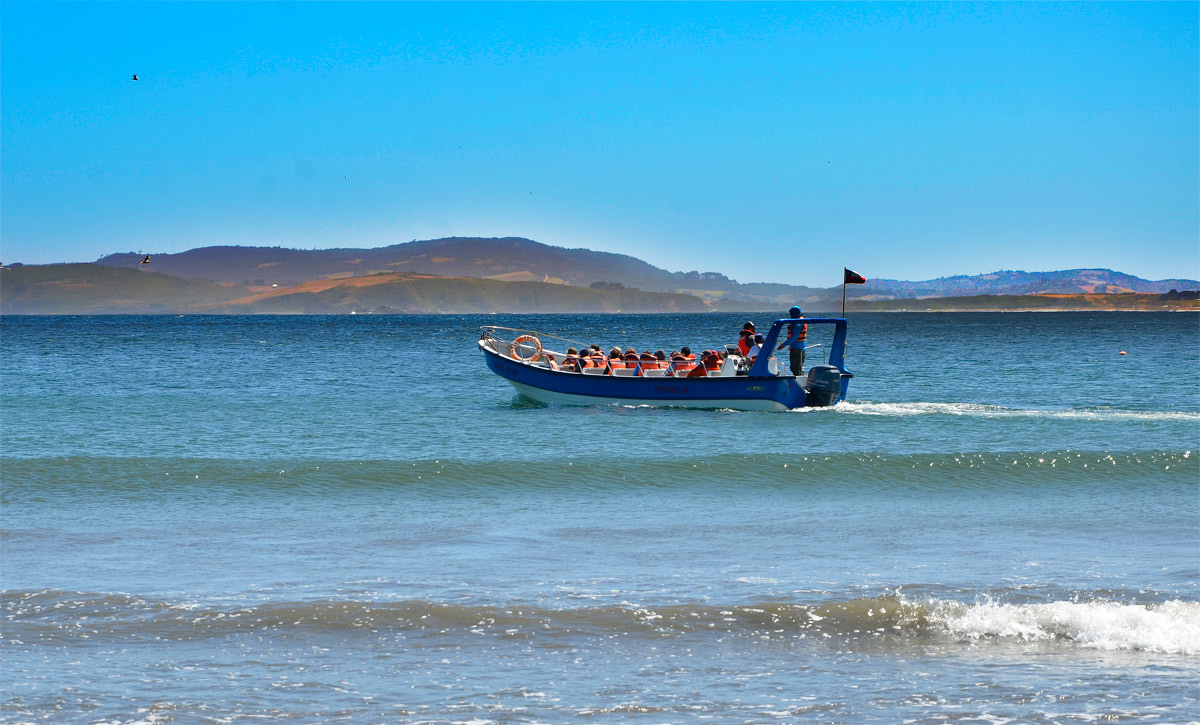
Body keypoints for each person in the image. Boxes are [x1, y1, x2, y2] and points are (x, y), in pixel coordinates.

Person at [776, 305, 807, 375]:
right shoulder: (801, 321)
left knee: (795, 368)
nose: (790, 315)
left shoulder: (797, 324)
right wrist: (791, 345)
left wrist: (783, 345)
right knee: (799, 367)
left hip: (797, 350)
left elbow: (794, 337)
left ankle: (798, 382)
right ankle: (800, 379)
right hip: (800, 348)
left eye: (791, 313)